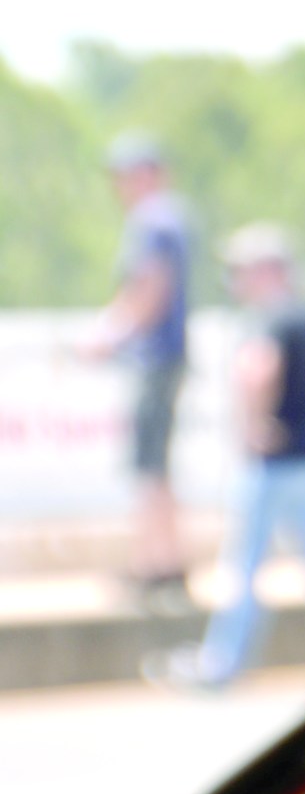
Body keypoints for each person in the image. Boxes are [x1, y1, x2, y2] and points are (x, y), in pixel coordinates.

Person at [152, 224, 305, 687]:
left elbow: (258, 371)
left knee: (244, 568)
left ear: (269, 271)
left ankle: (221, 667)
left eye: (242, 270)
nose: (236, 280)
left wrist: (253, 425)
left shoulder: (268, 320)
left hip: (273, 466)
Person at [76, 132, 194, 612]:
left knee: (149, 467)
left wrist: (110, 334)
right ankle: (160, 564)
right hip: (161, 357)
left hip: (154, 358)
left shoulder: (154, 219)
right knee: (153, 466)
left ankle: (157, 566)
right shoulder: (167, 218)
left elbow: (150, 289)